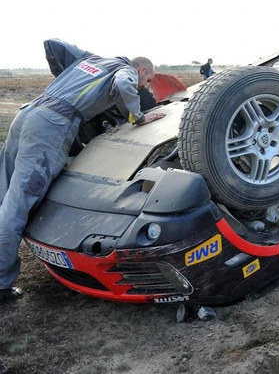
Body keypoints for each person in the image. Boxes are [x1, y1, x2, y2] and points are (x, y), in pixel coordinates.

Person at [0, 39, 165, 303]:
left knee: (3, 188)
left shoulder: (90, 60)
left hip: (28, 113)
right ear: (141, 71)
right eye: (147, 81)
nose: (144, 86)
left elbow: (53, 45)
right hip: (51, 126)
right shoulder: (124, 71)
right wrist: (137, 116)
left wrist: (65, 77)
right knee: (18, 202)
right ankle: (1, 284)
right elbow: (124, 85)